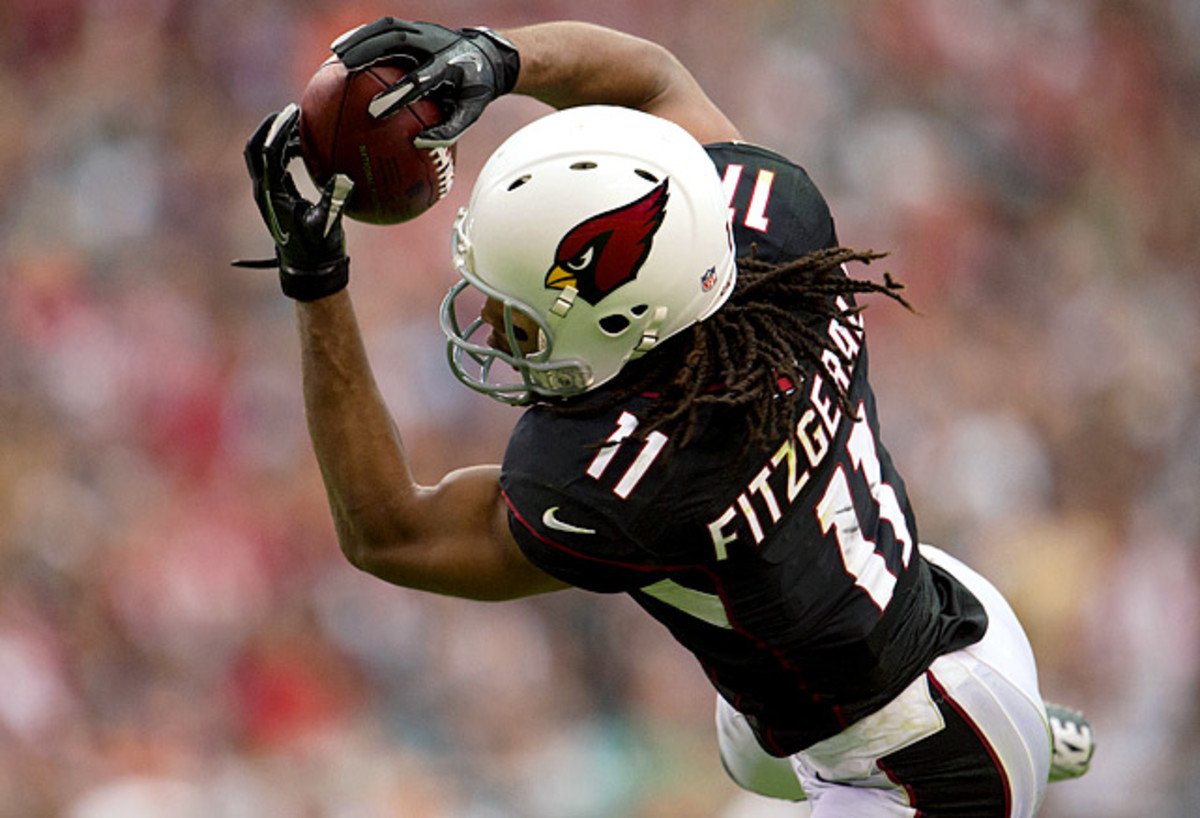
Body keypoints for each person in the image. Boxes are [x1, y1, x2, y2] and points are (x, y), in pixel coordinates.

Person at [241, 19, 1094, 816]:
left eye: (521, 316)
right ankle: (1020, 715)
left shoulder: (622, 481)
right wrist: (495, 58)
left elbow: (389, 532)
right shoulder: (775, 225)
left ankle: (1016, 748)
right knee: (747, 738)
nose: (493, 329)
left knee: (764, 732)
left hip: (918, 773)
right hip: (954, 619)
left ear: (617, 321)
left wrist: (315, 281)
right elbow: (653, 83)